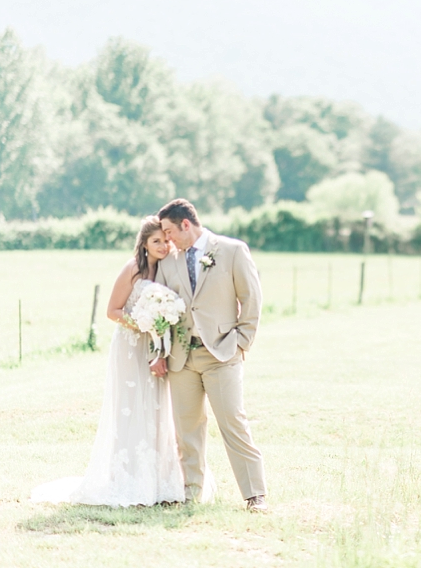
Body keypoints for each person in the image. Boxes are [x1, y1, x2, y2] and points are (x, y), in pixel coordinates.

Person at [31, 217, 185, 507]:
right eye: (156, 241)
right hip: (129, 346)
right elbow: (112, 310)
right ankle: (125, 477)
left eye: (165, 240)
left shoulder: (166, 267)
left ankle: (158, 479)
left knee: (155, 405)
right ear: (144, 243)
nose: (163, 246)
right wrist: (143, 324)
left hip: (155, 346)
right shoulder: (133, 268)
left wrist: (158, 333)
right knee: (129, 407)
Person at [152, 198, 267, 511]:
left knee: (233, 421)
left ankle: (255, 494)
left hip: (222, 354)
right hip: (181, 359)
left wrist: (241, 341)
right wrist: (159, 351)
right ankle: (191, 493)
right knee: (187, 428)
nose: (167, 238)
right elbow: (159, 308)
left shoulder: (231, 250)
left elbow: (251, 298)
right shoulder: (168, 262)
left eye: (168, 231)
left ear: (185, 224)